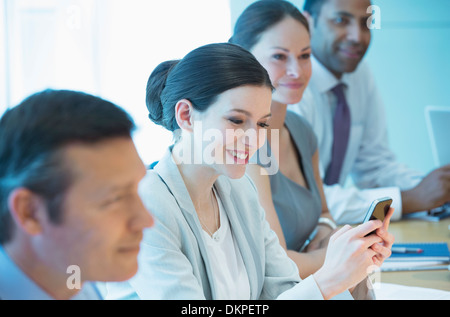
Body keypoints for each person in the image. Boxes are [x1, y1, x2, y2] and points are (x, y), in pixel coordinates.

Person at [105, 42, 392, 300]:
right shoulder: (147, 208)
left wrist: (352, 273)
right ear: (186, 116)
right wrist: (328, 279)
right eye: (236, 120)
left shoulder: (239, 191)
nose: (254, 140)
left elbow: (284, 291)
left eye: (262, 124)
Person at [229, 0, 393, 279]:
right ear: (245, 57)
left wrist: (328, 235)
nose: (297, 71)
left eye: (304, 55)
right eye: (279, 57)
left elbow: (324, 213)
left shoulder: (301, 130)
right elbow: (277, 268)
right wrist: (342, 252)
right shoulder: (245, 145)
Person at [289, 0, 450, 224]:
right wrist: (409, 198)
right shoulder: (291, 86)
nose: (357, 36)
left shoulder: (359, 74)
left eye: (366, 23)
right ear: (308, 23)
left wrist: (437, 188)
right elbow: (307, 200)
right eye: (340, 20)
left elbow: (375, 167)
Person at [0, 89, 154, 300]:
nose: (146, 221)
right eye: (114, 199)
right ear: (30, 212)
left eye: (137, 190)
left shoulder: (76, 281)